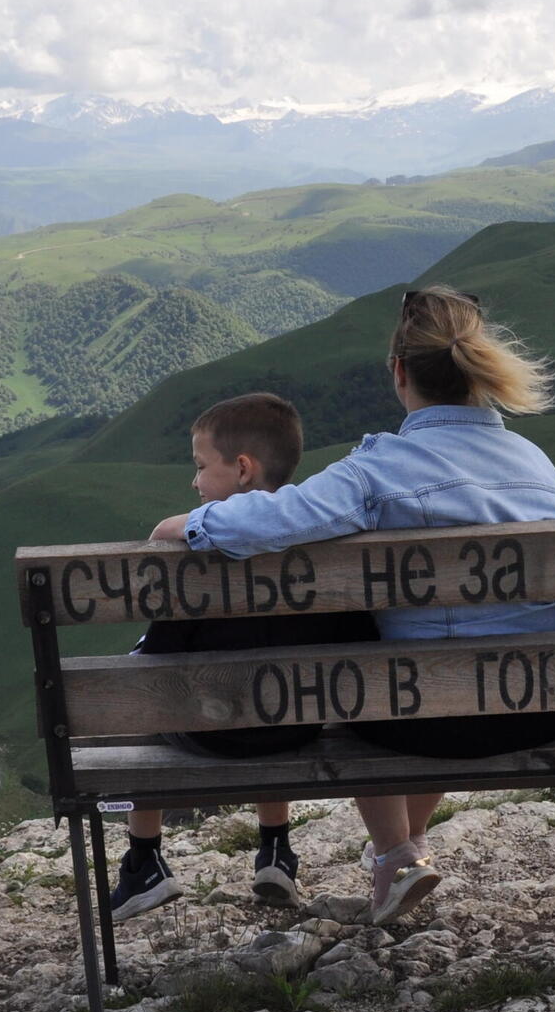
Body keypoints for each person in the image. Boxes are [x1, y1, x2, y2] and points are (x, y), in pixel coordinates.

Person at [151, 285, 555, 925]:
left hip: (417, 717)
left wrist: (190, 524)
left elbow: (272, 519)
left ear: (399, 372)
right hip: (539, 708)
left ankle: (395, 853)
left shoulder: (377, 469)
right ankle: (403, 851)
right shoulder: (537, 464)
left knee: (361, 673)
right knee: (436, 671)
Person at [106, 393, 377, 923]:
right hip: (297, 730)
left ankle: (144, 863)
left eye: (201, 466)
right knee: (275, 689)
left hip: (213, 733)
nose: (195, 481)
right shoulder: (322, 546)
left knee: (141, 693)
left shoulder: (198, 559)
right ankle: (275, 850)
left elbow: (156, 662)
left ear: (243, 469)